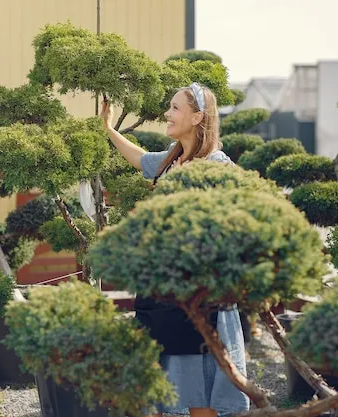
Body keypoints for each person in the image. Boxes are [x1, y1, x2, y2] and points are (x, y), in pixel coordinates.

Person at [100, 83, 250, 417]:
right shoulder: (172, 159)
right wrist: (109, 128)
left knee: (202, 394)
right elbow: (140, 160)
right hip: (165, 293)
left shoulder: (217, 166)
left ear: (198, 117)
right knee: (167, 389)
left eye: (175, 108)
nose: (167, 114)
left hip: (202, 298)